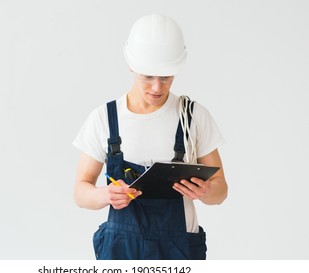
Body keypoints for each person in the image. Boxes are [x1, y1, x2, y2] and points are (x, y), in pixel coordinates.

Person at [72, 14, 228, 260]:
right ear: (131, 66)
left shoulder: (193, 117)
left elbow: (221, 190)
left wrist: (206, 191)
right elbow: (80, 191)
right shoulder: (104, 118)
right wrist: (105, 195)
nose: (157, 87)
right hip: (121, 250)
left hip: (179, 250)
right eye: (148, 76)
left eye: (166, 77)